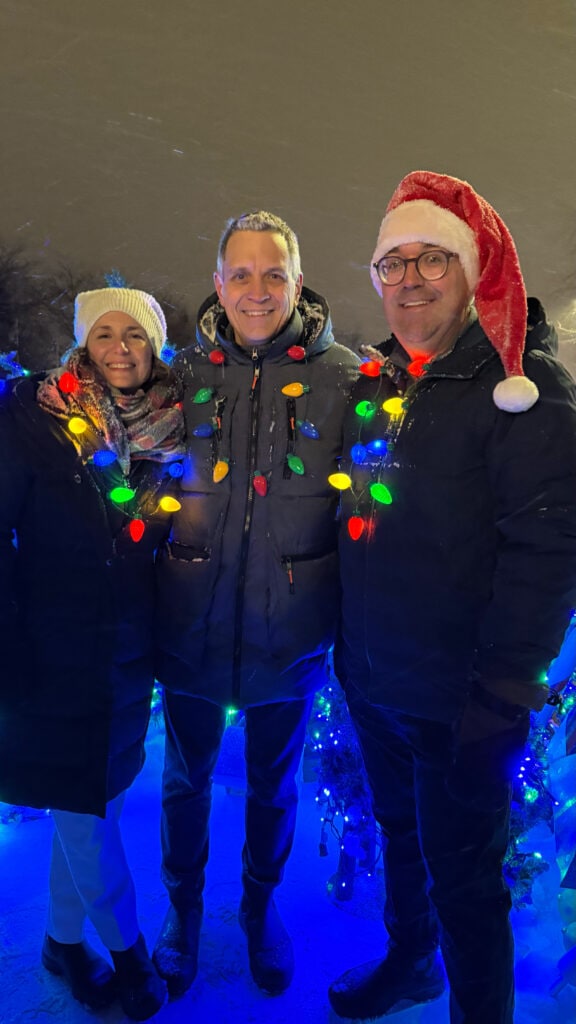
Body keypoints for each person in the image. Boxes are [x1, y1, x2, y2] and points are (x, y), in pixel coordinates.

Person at [327, 171, 576, 1024]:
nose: (409, 282)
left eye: (431, 259)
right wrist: (349, 659)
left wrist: (501, 694)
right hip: (374, 681)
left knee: (467, 882)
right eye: (391, 266)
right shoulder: (383, 385)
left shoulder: (522, 393)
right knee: (403, 839)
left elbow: (548, 550)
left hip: (460, 704)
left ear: (472, 273)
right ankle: (410, 962)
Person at [153, 210, 358, 997]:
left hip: (291, 626)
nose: (257, 290)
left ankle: (259, 910)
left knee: (274, 786)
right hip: (191, 618)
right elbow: (109, 409)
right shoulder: (182, 376)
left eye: (274, 274)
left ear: (297, 282)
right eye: (240, 274)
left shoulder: (344, 376)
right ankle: (183, 910)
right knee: (184, 781)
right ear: (217, 284)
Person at [0, 288, 186, 1020]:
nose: (118, 347)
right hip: (53, 648)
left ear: (153, 346)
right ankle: (128, 950)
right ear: (83, 342)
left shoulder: (173, 428)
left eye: (134, 335)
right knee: (87, 816)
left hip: (128, 648)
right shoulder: (35, 420)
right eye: (103, 332)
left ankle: (61, 941)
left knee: (94, 803)